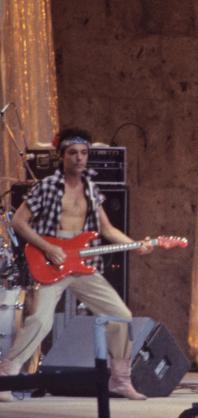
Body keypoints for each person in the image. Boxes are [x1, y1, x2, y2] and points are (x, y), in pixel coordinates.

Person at [0, 128, 152, 402]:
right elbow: (18, 222)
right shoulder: (47, 186)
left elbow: (106, 228)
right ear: (62, 156)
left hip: (81, 263)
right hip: (51, 260)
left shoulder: (92, 189)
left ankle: (119, 379)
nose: (79, 158)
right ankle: (7, 373)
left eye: (84, 153)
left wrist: (135, 243)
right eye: (73, 153)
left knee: (121, 315)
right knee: (40, 320)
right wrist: (48, 248)